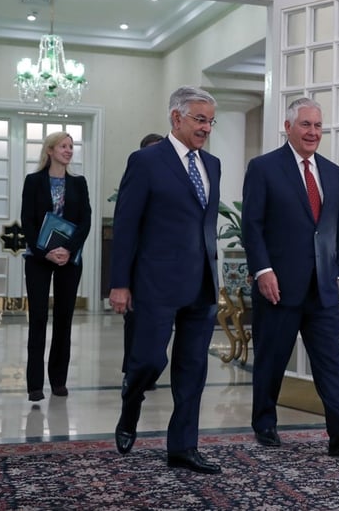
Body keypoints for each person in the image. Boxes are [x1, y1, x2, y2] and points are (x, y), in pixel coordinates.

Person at [241, 97, 339, 456]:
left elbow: (333, 226)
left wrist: (333, 272)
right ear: (288, 127)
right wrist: (263, 271)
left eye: (318, 125)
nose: (313, 132)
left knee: (332, 361)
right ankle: (265, 423)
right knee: (271, 359)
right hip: (278, 286)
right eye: (306, 125)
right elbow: (251, 226)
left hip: (321, 289)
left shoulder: (331, 172)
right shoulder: (264, 168)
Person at [108, 86, 222, 474]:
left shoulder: (213, 165)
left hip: (201, 283)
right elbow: (125, 225)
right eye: (199, 119)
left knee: (193, 369)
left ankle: (183, 446)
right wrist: (120, 283)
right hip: (155, 283)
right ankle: (131, 401)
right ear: (177, 118)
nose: (206, 127)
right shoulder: (146, 161)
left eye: (210, 121)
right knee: (148, 360)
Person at [21, 131, 92, 402]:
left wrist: (67, 249)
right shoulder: (33, 181)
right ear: (49, 150)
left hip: (69, 259)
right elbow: (27, 220)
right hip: (39, 258)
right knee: (38, 318)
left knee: (64, 319)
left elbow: (85, 221)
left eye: (71, 146)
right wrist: (46, 252)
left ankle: (59, 381)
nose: (69, 150)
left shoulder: (79, 183)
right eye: (63, 146)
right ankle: (34, 385)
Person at [121, 132, 163, 385]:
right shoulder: (139, 173)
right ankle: (132, 370)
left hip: (165, 269)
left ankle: (151, 371)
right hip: (140, 265)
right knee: (134, 321)